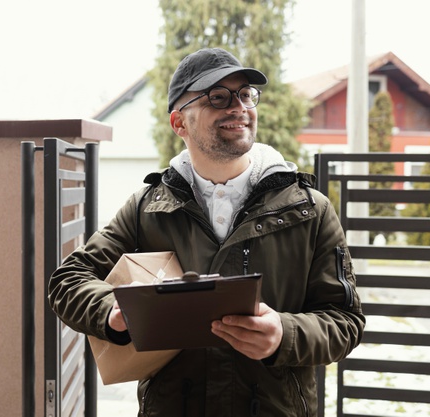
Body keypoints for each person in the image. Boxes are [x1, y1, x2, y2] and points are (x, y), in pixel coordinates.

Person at [48, 47, 365, 417]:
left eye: (245, 94)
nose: (239, 107)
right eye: (218, 97)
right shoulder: (146, 208)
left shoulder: (309, 209)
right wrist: (113, 312)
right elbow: (67, 281)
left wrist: (284, 333)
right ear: (179, 123)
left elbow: (345, 321)